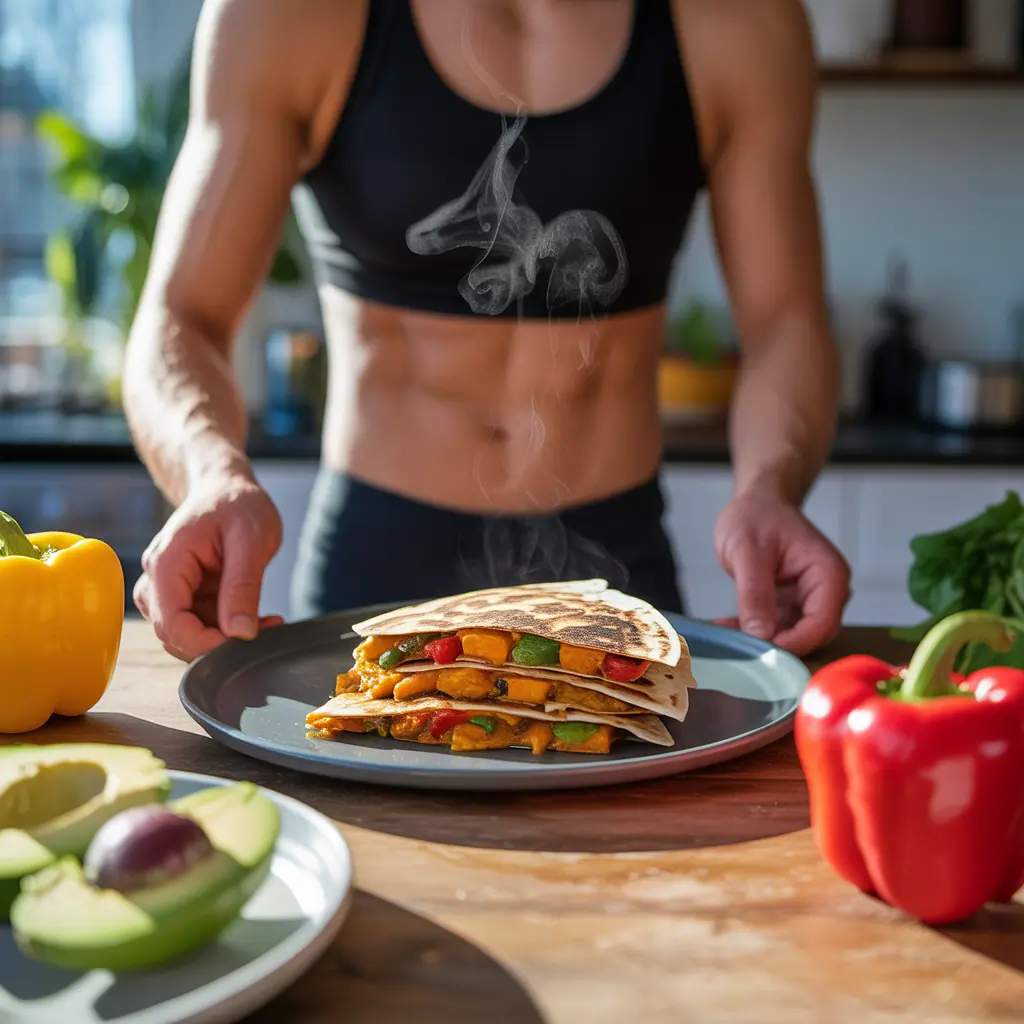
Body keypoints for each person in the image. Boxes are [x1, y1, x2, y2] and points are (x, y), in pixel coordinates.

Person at [124, 0, 851, 664]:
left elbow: (787, 323)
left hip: (616, 569)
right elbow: (181, 316)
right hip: (373, 570)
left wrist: (770, 487)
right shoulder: (294, 15)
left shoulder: (738, 21)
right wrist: (210, 469)